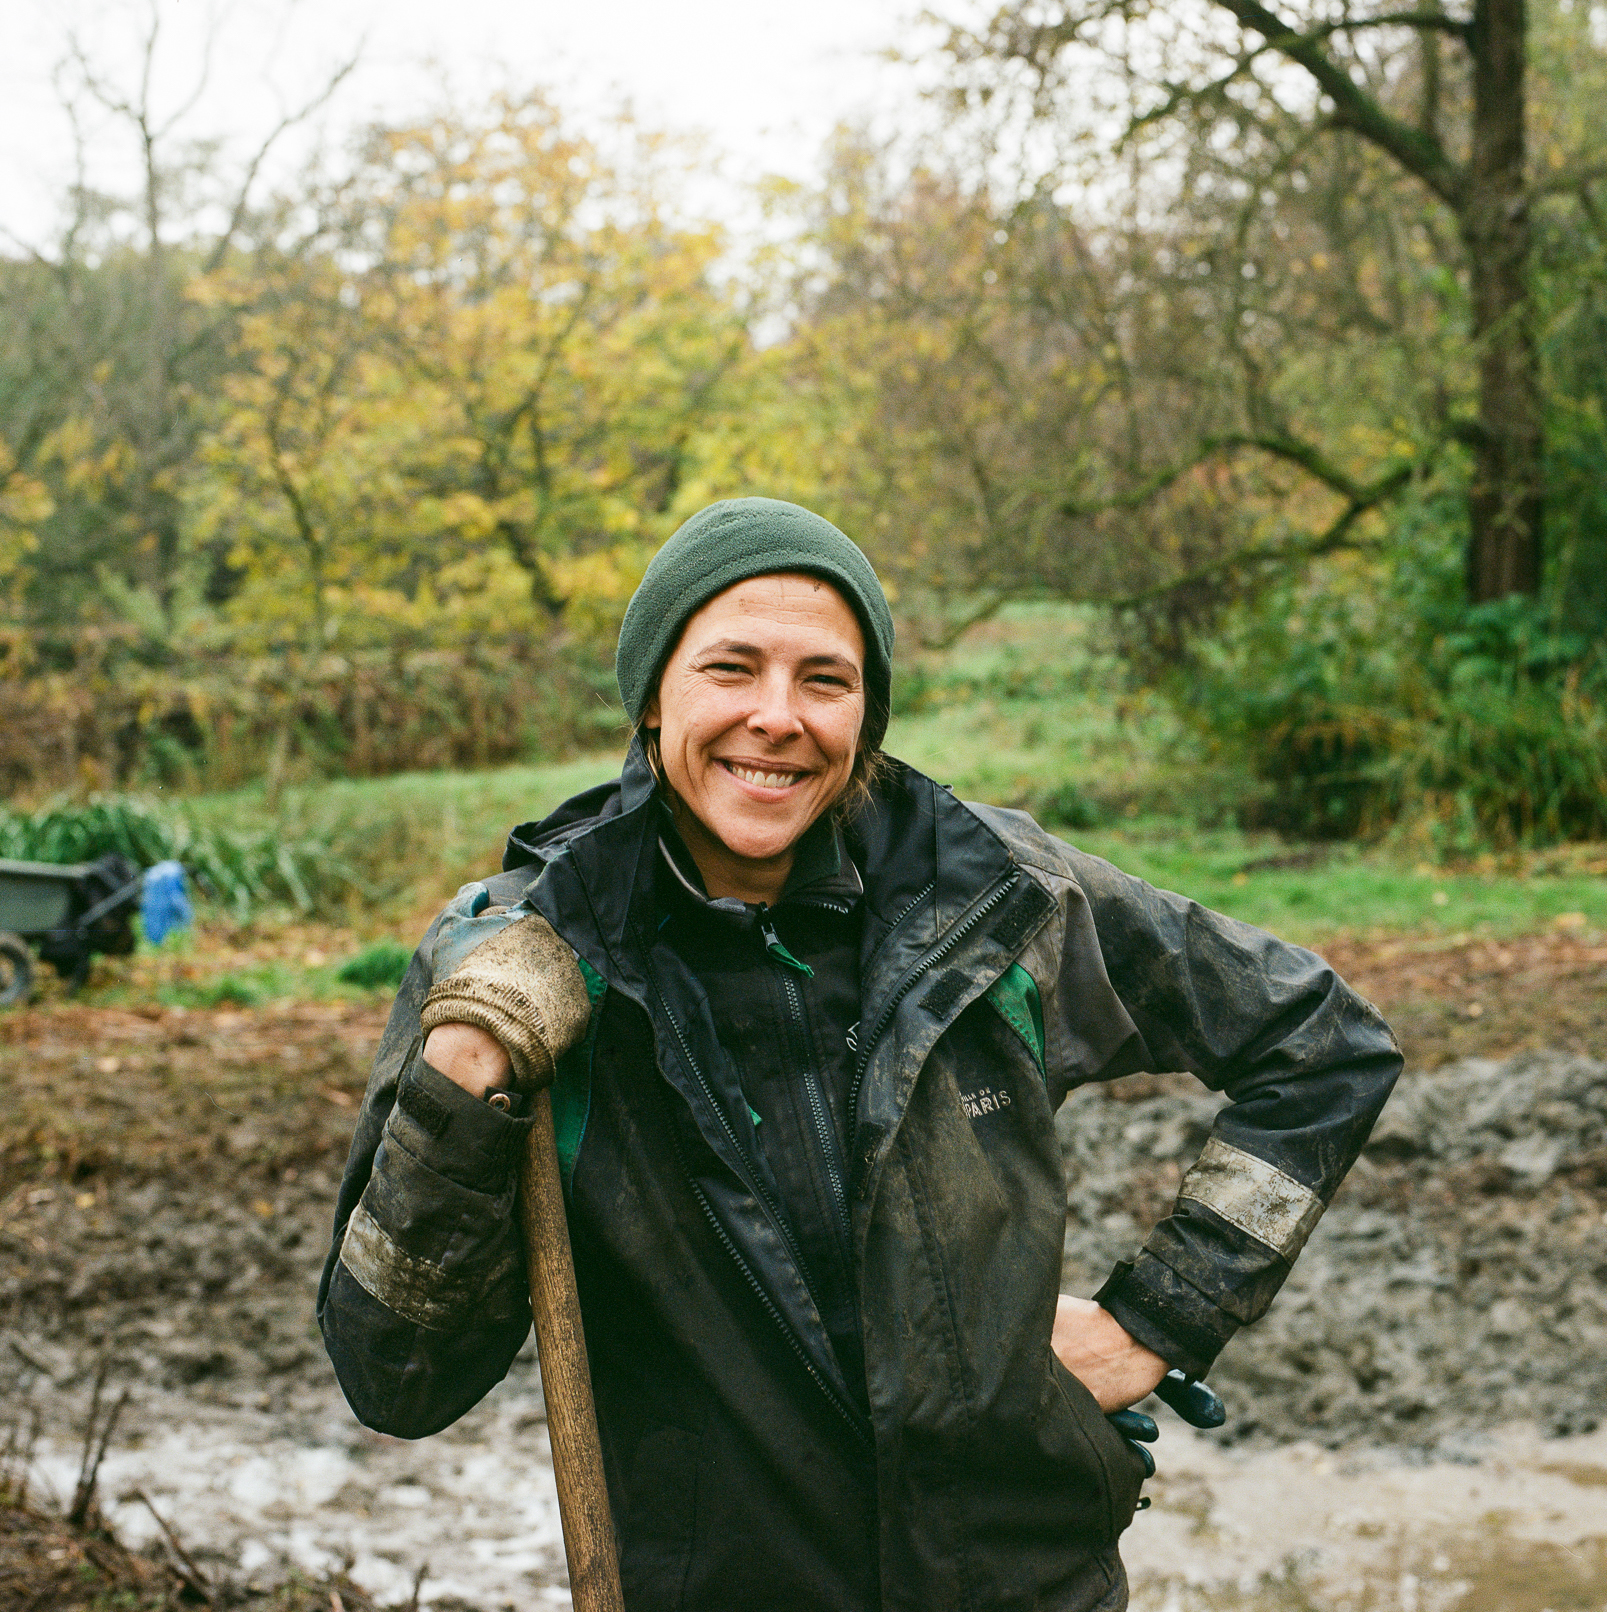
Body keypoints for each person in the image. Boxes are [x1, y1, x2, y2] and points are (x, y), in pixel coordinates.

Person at [318, 497, 1401, 1612]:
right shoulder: (521, 960)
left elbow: (1323, 1045)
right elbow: (394, 1376)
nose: (775, 718)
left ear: (867, 712)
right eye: (730, 669)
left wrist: (1155, 1318)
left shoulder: (993, 899)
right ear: (652, 697)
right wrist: (458, 1079)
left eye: (824, 680)